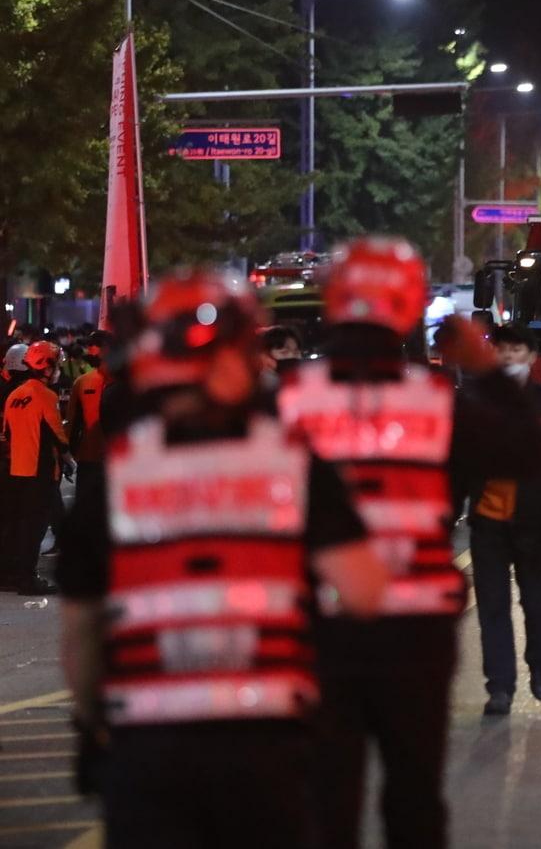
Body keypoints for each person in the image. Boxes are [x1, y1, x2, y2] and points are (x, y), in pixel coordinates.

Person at [56, 269, 388, 848]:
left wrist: (92, 724)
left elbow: (81, 634)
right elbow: (362, 592)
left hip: (148, 746)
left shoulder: (116, 480)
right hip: (271, 741)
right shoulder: (294, 466)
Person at [277, 236, 541, 849]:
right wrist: (487, 371)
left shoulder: (286, 399)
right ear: (407, 307)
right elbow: (528, 453)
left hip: (314, 623)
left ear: (333, 302)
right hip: (415, 628)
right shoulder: (438, 401)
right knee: (414, 791)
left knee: (325, 796)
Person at [468, 323, 541, 716]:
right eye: (501, 350)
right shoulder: (473, 401)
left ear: (531, 357)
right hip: (488, 522)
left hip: (537, 523)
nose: (508, 357)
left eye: (516, 350)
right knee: (492, 607)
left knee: (538, 602)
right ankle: (500, 687)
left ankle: (539, 663)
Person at [2, 341, 71, 594]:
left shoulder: (14, 396)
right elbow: (58, 436)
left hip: (16, 469)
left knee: (18, 525)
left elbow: (7, 434)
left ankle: (12, 574)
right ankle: (28, 579)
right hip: (40, 471)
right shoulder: (47, 396)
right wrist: (69, 459)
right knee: (35, 528)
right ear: (46, 367)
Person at [65, 332, 113, 503]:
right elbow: (71, 422)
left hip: (115, 461)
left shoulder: (126, 381)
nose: (90, 350)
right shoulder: (82, 382)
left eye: (94, 345)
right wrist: (66, 454)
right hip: (88, 459)